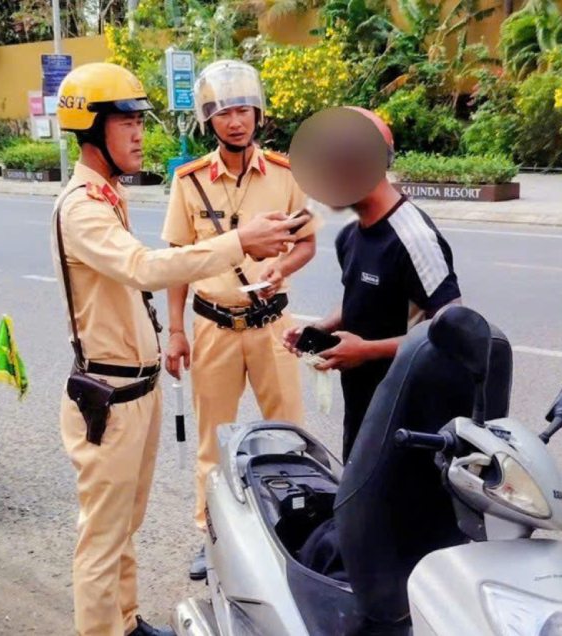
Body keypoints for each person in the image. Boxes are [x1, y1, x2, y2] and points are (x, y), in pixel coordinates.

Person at [52, 62, 306, 636]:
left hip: (135, 390)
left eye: (141, 120)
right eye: (126, 122)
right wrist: (238, 241)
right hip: (109, 395)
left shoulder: (106, 194)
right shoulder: (83, 208)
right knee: (102, 536)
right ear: (91, 129)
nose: (140, 133)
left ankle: (125, 620)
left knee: (124, 526)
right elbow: (145, 268)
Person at [161, 59, 322, 580]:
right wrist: (177, 331)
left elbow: (308, 243)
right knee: (213, 440)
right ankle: (211, 538)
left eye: (244, 110)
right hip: (213, 327)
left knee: (288, 435)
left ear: (258, 114)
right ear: (210, 119)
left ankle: (299, 534)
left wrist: (281, 265)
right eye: (225, 112)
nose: (237, 121)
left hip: (272, 325)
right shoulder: (188, 183)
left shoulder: (284, 174)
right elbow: (177, 264)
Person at [284, 107, 462, 463]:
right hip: (364, 402)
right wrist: (323, 328)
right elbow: (364, 298)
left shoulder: (413, 237)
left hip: (407, 411)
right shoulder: (351, 237)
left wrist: (366, 350)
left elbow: (452, 332)